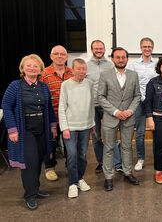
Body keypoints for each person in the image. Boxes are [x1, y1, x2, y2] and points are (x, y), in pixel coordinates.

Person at [2, 54, 57, 210]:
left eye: (35, 66)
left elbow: (49, 107)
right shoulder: (15, 86)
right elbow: (6, 106)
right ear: (22, 68)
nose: (32, 68)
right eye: (29, 65)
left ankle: (36, 188)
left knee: (39, 158)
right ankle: (30, 195)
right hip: (25, 130)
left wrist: (52, 126)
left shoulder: (43, 86)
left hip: (42, 128)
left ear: (40, 69)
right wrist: (12, 129)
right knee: (29, 162)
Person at [97, 47, 141, 191]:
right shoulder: (105, 75)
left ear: (127, 59)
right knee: (109, 147)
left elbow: (137, 96)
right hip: (111, 117)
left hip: (128, 118)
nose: (121, 60)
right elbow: (101, 97)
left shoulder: (134, 75)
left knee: (127, 146)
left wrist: (129, 110)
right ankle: (108, 176)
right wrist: (115, 111)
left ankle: (128, 172)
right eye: (118, 57)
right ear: (113, 59)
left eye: (123, 57)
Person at [58, 58, 95, 198]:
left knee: (82, 155)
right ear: (72, 70)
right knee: (72, 155)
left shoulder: (89, 84)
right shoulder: (66, 85)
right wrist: (65, 128)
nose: (81, 71)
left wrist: (92, 124)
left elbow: (91, 105)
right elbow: (62, 107)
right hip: (70, 127)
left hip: (85, 126)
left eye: (84, 69)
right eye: (78, 69)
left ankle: (80, 178)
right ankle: (72, 183)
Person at [86, 40, 122, 173]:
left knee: (112, 135)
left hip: (108, 106)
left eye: (101, 48)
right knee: (96, 138)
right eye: (96, 48)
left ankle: (118, 164)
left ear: (104, 49)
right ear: (92, 50)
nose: (99, 51)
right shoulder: (86, 66)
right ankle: (101, 162)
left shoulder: (111, 65)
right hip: (93, 106)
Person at [40, 45, 73, 181]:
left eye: (62, 54)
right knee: (51, 143)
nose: (60, 56)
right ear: (51, 56)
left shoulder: (72, 73)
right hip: (51, 117)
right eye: (56, 54)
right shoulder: (43, 74)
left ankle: (69, 166)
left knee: (69, 144)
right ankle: (50, 167)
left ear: (66, 57)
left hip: (70, 117)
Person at [127, 37, 158, 171]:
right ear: (141, 48)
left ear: (152, 48)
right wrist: (142, 97)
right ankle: (141, 158)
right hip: (139, 101)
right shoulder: (133, 65)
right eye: (145, 46)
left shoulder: (157, 63)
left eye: (149, 47)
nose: (147, 49)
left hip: (155, 102)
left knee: (157, 131)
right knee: (139, 133)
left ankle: (158, 157)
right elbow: (131, 83)